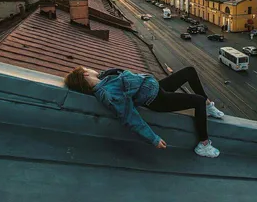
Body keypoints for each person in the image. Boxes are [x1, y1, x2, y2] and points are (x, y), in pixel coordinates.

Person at [64, 66, 224, 158]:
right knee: (197, 101)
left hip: (155, 88)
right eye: (87, 68)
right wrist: (153, 138)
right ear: (85, 74)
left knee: (189, 71)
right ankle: (203, 144)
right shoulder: (108, 93)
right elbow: (129, 117)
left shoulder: (105, 78)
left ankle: (208, 105)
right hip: (158, 100)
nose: (91, 69)